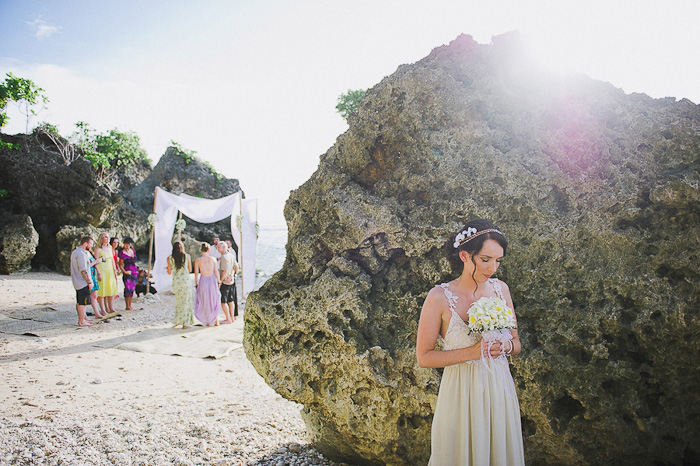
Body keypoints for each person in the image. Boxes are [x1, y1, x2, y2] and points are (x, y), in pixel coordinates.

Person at [416, 219, 524, 465]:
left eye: (498, 261)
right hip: (460, 392)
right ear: (464, 255)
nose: (492, 268)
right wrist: (474, 352)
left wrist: (505, 347)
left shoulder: (501, 290)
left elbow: (516, 343)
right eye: (485, 260)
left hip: (498, 388)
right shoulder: (439, 297)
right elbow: (424, 357)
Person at [167, 241, 194, 329]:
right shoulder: (187, 256)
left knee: (179, 301)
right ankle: (185, 322)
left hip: (176, 282)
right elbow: (190, 269)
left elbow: (169, 272)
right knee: (186, 301)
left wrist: (168, 268)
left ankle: (178, 320)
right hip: (185, 281)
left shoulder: (170, 258)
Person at [194, 242, 221, 326]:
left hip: (203, 280)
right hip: (212, 280)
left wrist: (196, 283)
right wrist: (219, 280)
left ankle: (208, 321)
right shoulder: (213, 259)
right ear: (209, 250)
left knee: (204, 300)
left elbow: (196, 274)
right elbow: (216, 272)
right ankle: (216, 320)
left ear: (201, 250)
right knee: (214, 299)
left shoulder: (197, 260)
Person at [70, 236, 95, 326]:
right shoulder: (81, 254)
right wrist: (89, 282)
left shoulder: (75, 252)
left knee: (79, 301)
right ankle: (81, 321)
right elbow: (83, 270)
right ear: (85, 243)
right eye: (91, 244)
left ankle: (83, 318)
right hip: (82, 282)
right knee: (83, 302)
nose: (91, 246)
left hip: (77, 281)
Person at [94, 232, 118, 315]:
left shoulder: (110, 247)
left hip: (110, 270)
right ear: (101, 238)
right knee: (102, 290)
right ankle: (103, 309)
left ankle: (111, 307)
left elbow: (112, 260)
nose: (107, 239)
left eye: (107, 237)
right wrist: (98, 273)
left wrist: (115, 270)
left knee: (110, 289)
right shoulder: (98, 249)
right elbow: (96, 261)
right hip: (102, 270)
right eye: (105, 237)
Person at [217, 241, 239, 324]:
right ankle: (232, 317)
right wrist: (233, 275)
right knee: (231, 300)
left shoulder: (224, 257)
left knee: (223, 301)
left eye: (219, 247)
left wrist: (220, 281)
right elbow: (236, 267)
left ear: (223, 248)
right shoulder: (231, 255)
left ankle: (228, 319)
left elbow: (224, 271)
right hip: (231, 281)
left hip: (225, 282)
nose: (217, 248)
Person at [118, 237, 138, 311]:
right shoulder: (122, 253)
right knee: (127, 288)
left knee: (132, 288)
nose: (127, 245)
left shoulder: (133, 251)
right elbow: (120, 265)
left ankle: (130, 305)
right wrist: (124, 271)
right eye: (126, 244)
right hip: (127, 271)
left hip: (134, 271)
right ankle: (127, 305)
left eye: (128, 244)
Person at [87, 248, 107, 319]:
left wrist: (98, 273)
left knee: (94, 295)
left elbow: (94, 265)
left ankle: (97, 313)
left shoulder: (90, 253)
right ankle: (95, 313)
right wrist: (98, 261)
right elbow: (87, 266)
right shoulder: (84, 254)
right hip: (89, 275)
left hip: (93, 275)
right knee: (90, 296)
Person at [110, 237, 121, 301]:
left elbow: (116, 261)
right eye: (114, 242)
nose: (116, 244)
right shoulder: (109, 250)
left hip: (114, 269)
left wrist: (118, 268)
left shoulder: (116, 251)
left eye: (117, 242)